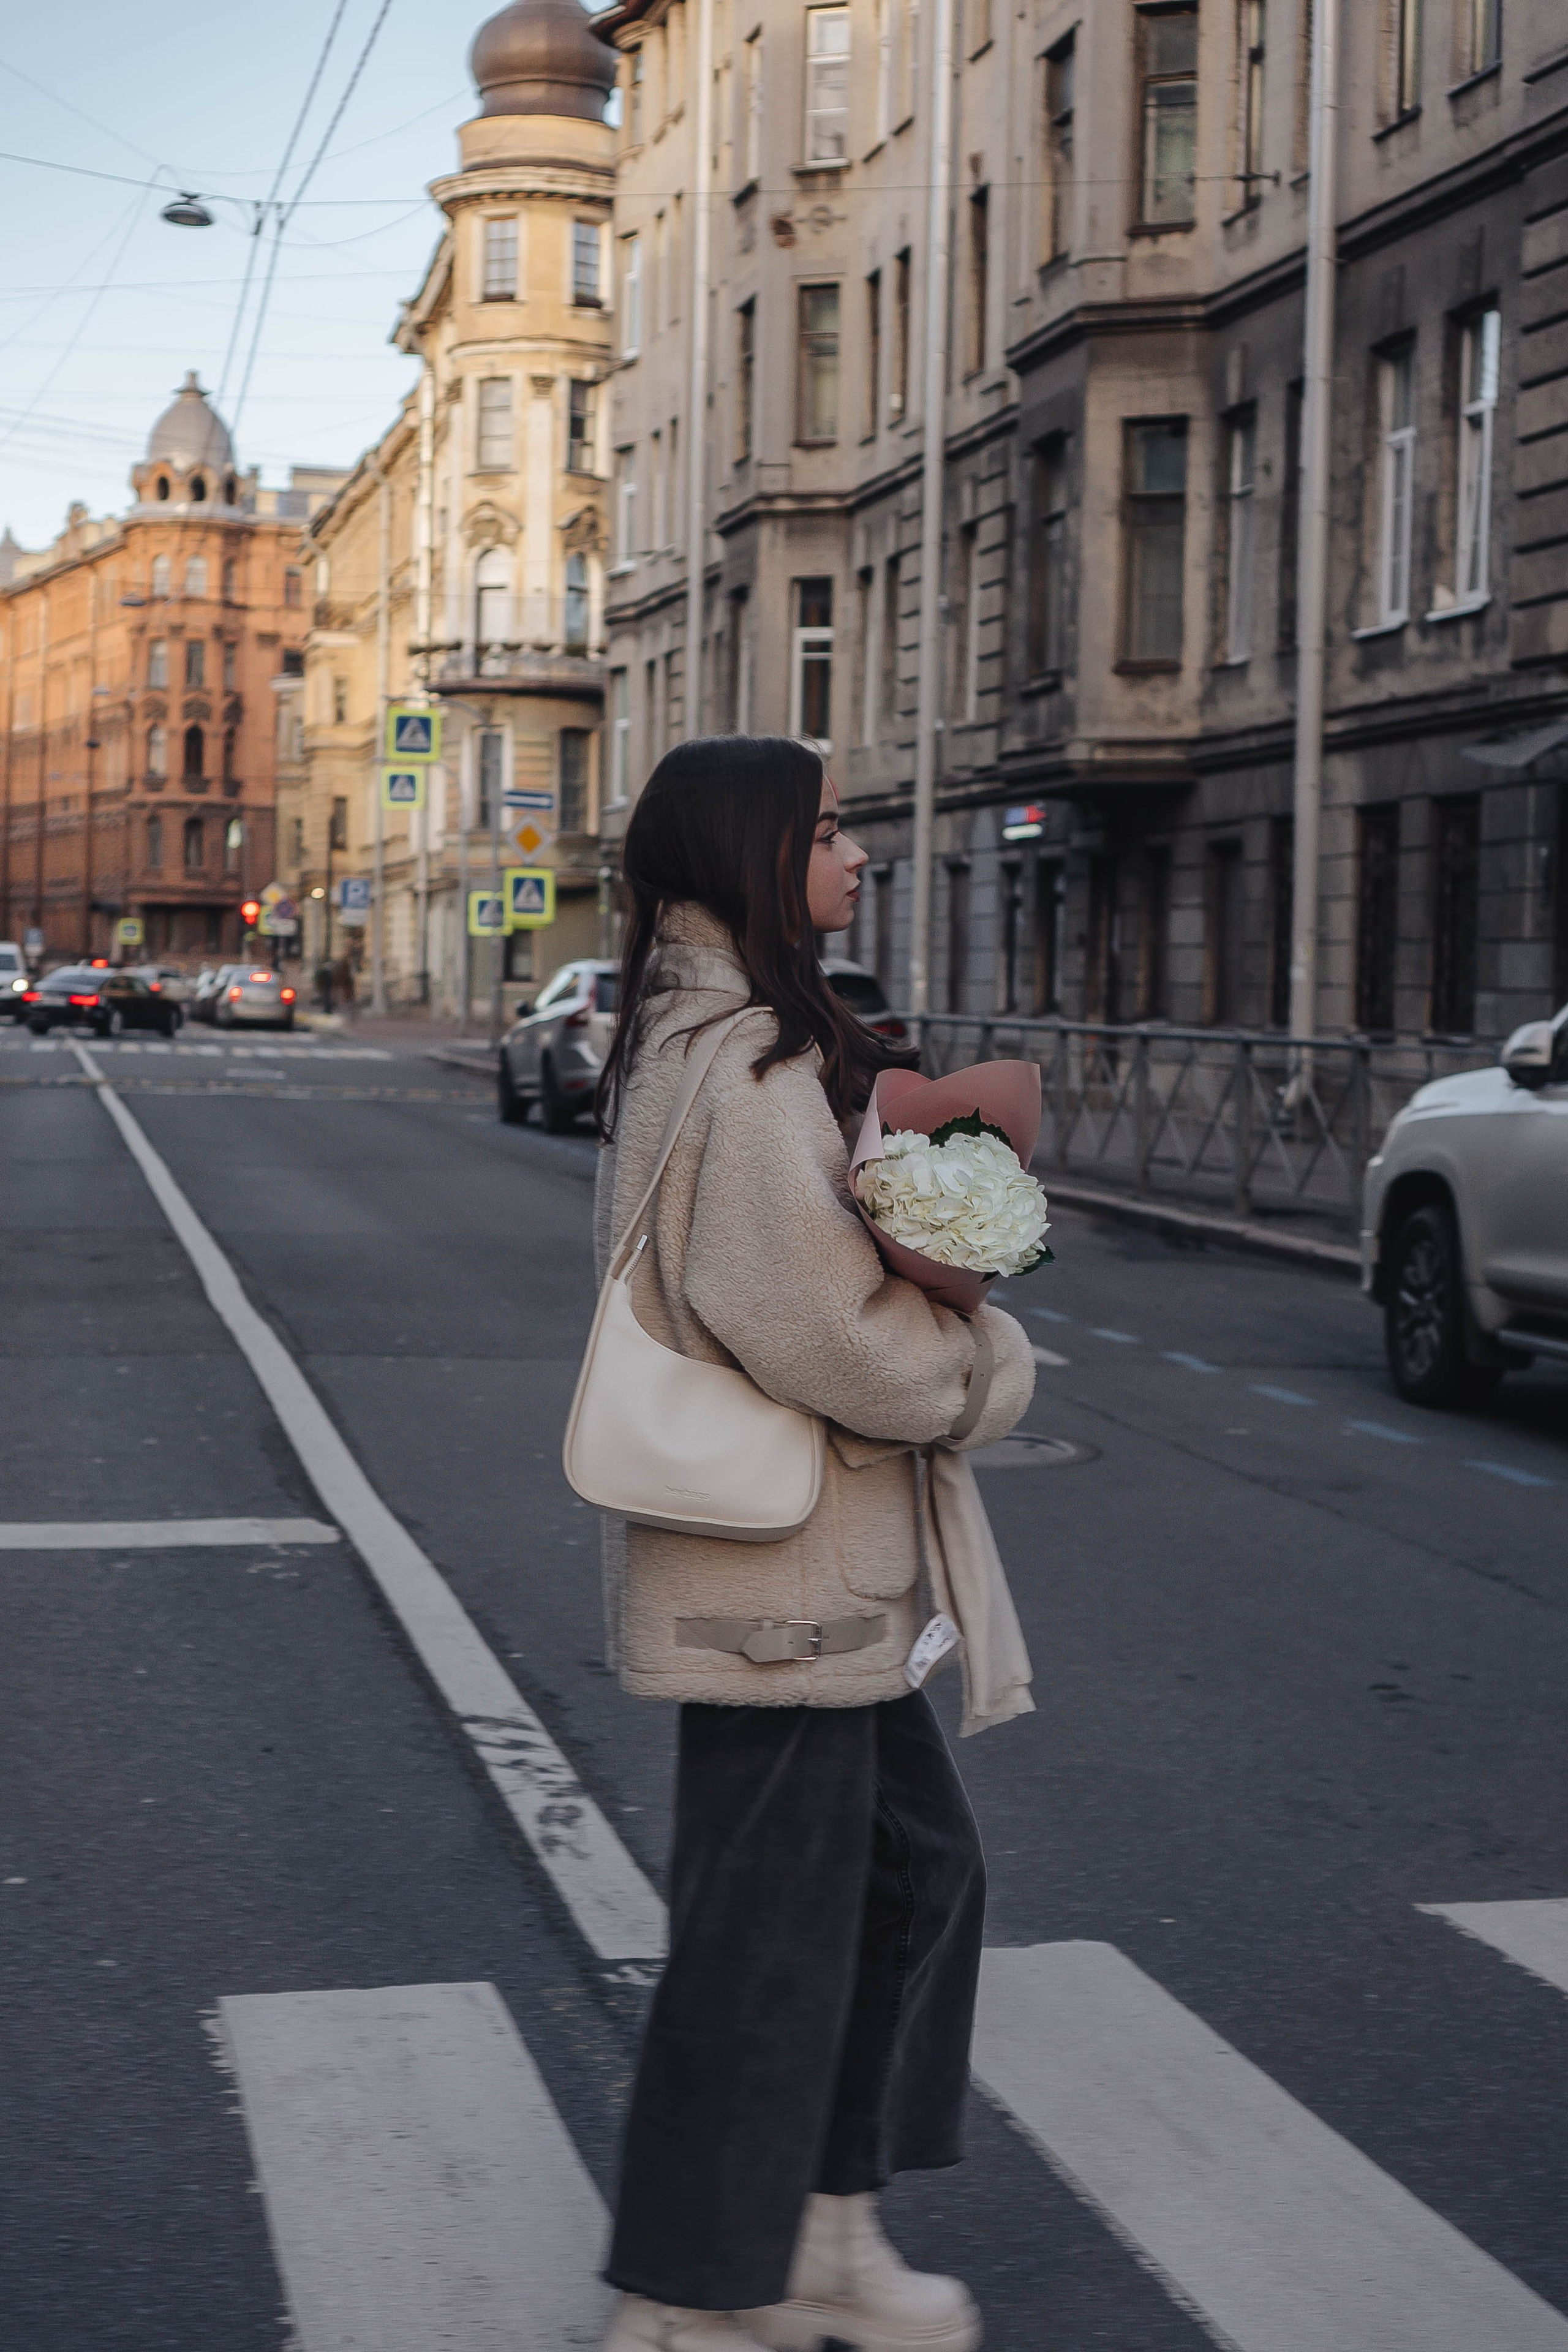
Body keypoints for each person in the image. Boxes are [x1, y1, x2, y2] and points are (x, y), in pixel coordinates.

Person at [592, 737, 1036, 2352]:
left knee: (912, 1879)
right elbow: (817, 1329)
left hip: (816, 1584)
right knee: (767, 1941)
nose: (856, 855)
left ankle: (824, 2234)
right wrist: (979, 1360)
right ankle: (689, 2294)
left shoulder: (732, 1043)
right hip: (777, 1586)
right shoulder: (742, 1065)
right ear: (759, 854)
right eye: (833, 830)